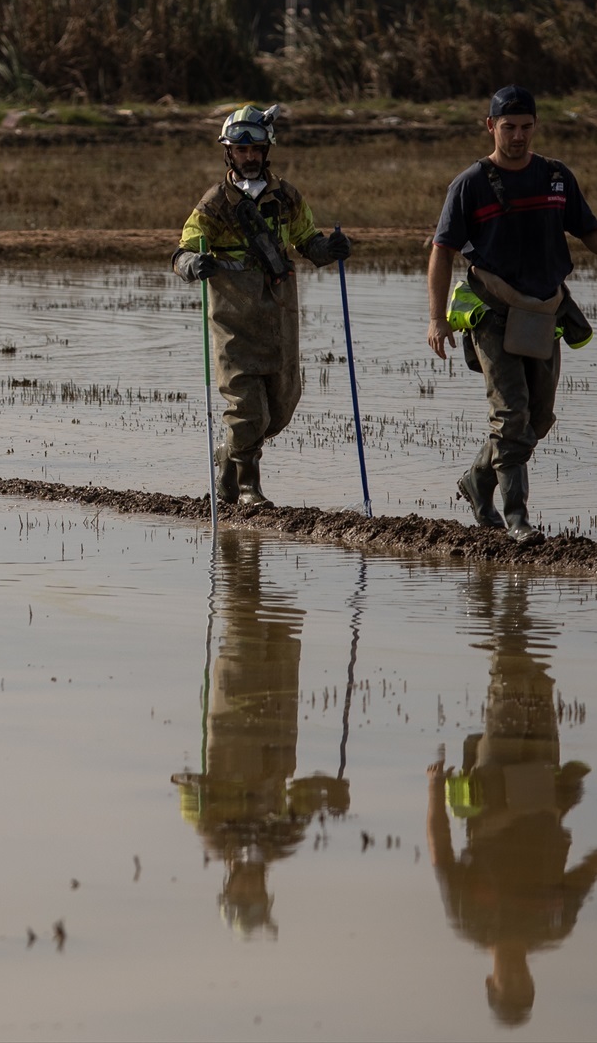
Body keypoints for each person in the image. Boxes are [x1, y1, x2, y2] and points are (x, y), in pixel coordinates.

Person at [427, 86, 597, 543]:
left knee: (538, 420)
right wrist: (436, 317)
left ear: (535, 126)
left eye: (526, 127)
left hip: (545, 311)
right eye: (509, 127)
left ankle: (477, 480)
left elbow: (589, 229)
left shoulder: (555, 177)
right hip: (493, 311)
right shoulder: (470, 184)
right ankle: (517, 518)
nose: (518, 136)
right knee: (511, 415)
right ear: (491, 127)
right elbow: (442, 251)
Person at [426, 570, 597, 1027]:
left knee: (509, 677)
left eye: (511, 987)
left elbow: (441, 856)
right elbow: (586, 872)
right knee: (539, 682)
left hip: (496, 781)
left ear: (491, 982)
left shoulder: (470, 922)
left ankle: (498, 592)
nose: (519, 979)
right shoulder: (554, 928)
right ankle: (513, 596)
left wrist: (432, 791)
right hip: (543, 786)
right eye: (525, 988)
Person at [171, 104, 350, 506]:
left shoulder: (286, 197)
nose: (249, 157)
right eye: (240, 150)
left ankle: (229, 457)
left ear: (266, 150)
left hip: (280, 315)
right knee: (247, 406)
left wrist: (330, 248)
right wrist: (193, 265)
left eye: (255, 150)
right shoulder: (215, 202)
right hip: (233, 316)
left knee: (281, 408)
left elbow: (308, 242)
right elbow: (181, 252)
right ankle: (249, 486)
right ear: (228, 153)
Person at [172, 533, 348, 935]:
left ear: (230, 886)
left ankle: (238, 542)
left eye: (244, 892)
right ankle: (245, 543)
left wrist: (198, 793)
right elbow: (307, 793)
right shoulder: (282, 841)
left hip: (234, 714)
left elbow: (183, 781)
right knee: (282, 625)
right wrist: (331, 792)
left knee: (242, 622)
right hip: (280, 722)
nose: (251, 885)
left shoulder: (213, 835)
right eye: (255, 894)